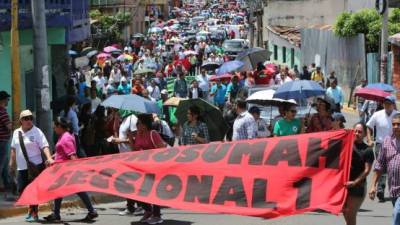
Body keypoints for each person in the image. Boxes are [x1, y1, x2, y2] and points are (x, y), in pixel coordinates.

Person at [44, 117, 98, 222]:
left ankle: (91, 211)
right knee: (60, 191)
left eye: (55, 126)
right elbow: (61, 152)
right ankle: (56, 214)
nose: (53, 128)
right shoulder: (63, 136)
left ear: (59, 126)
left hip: (67, 171)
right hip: (62, 170)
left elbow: (72, 156)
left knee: (77, 190)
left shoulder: (66, 138)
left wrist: (73, 171)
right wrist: (53, 157)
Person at [9, 110, 53, 222]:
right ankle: (31, 208)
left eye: (30, 118)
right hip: (22, 167)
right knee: (22, 190)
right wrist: (11, 163)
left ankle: (34, 212)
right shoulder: (16, 132)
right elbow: (13, 149)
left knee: (34, 190)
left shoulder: (37, 131)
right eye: (26, 118)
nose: (29, 120)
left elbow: (44, 146)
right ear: (21, 121)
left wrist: (48, 157)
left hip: (35, 166)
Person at [133, 114, 167, 224]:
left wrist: (150, 155)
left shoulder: (153, 134)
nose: (136, 125)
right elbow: (135, 150)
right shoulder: (138, 135)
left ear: (144, 125)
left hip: (154, 168)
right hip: (141, 168)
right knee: (137, 189)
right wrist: (130, 139)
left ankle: (157, 215)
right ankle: (148, 210)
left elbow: (162, 149)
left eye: (138, 123)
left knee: (153, 191)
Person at [369, 113, 400, 225]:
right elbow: (380, 165)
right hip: (393, 189)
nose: (396, 126)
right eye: (394, 124)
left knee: (397, 213)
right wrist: (373, 185)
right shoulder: (387, 141)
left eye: (398, 124)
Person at [366, 95, 398, 202]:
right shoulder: (377, 114)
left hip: (395, 144)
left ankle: (391, 188)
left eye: (389, 103)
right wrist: (370, 139)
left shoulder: (397, 116)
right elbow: (369, 126)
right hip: (380, 144)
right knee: (382, 166)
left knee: (391, 167)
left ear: (393, 105)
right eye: (385, 103)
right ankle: (380, 189)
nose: (386, 105)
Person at [341, 122, 373, 225]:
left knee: (350, 213)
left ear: (364, 134)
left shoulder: (368, 150)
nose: (357, 133)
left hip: (358, 186)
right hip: (344, 185)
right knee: (345, 212)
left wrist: (354, 182)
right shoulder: (346, 145)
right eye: (355, 131)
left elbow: (367, 170)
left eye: (360, 132)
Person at [0, 91, 11, 185]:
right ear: (3, 100)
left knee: (5, 164)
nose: (8, 101)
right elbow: (8, 126)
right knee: (1, 163)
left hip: (2, 141)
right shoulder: (2, 111)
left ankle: (7, 184)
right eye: (7, 99)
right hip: (3, 141)